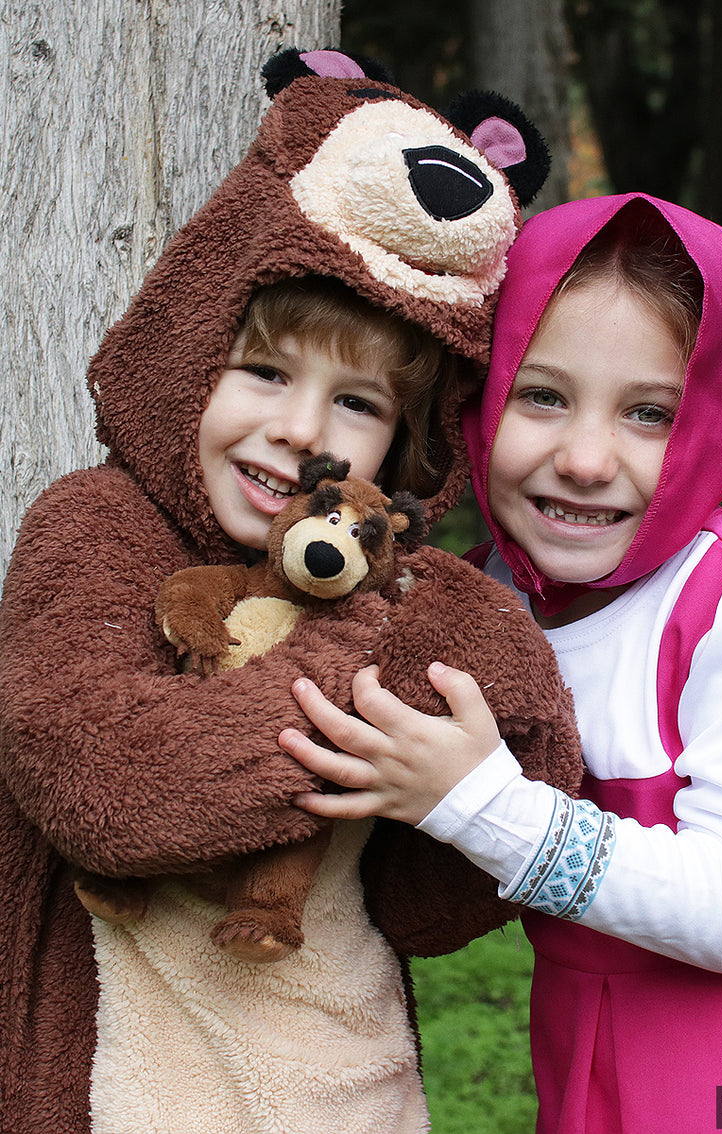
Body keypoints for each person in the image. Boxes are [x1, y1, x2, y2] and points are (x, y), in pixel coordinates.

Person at [0, 47, 550, 1134]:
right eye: (264, 372)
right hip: (118, 1093)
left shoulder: (426, 599)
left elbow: (433, 904)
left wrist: (474, 789)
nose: (299, 430)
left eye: (356, 403)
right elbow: (92, 773)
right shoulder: (96, 530)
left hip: (348, 1089)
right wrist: (344, 666)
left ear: (401, 447)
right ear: (192, 354)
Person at [284, 193, 722, 1134]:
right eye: (542, 395)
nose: (585, 459)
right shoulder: (486, 594)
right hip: (582, 1057)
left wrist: (481, 803)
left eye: (651, 414)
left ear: (715, 421)